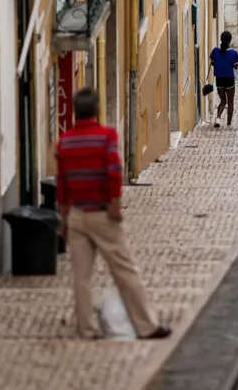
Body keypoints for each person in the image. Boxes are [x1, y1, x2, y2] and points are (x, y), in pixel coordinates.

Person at [56, 87, 172, 341]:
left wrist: (64, 221)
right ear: (97, 110)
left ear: (75, 112)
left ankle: (86, 329)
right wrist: (115, 206)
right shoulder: (106, 136)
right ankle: (146, 326)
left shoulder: (64, 142)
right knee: (124, 270)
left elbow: (62, 186)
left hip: (76, 215)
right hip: (102, 215)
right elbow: (113, 172)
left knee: (81, 276)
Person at [209, 32, 238, 127]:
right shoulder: (233, 53)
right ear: (230, 40)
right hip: (229, 79)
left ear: (221, 39)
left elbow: (213, 63)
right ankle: (229, 123)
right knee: (230, 102)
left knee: (222, 101)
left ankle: (218, 118)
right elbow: (235, 66)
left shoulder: (215, 51)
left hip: (219, 79)